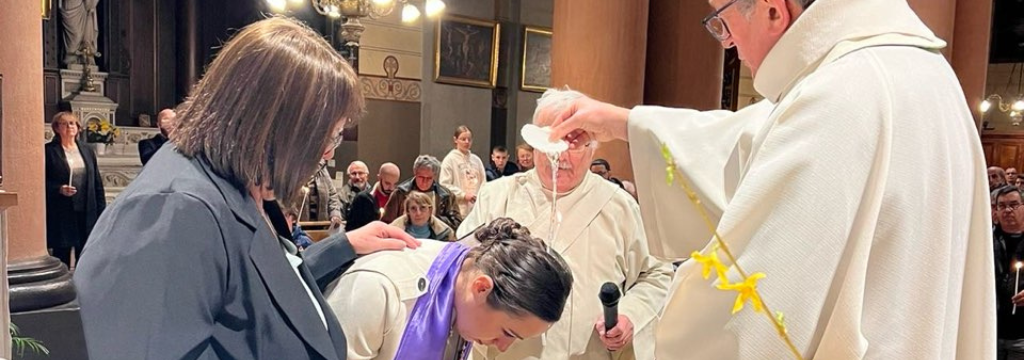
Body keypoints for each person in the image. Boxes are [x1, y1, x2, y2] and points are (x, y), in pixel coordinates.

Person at [546, 0, 994, 358]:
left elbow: (751, 313)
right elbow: (752, 140)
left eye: (722, 22)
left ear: (773, 10)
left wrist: (667, 328)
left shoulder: (841, 96)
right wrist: (624, 123)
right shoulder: (912, 70)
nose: (727, 44)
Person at [73, 17, 419, 360]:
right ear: (273, 123)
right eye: (327, 137)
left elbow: (254, 296)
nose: (329, 153)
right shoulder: (174, 210)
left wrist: (343, 246)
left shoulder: (241, 184)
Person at [461, 89, 673, 360]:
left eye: (573, 142)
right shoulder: (497, 196)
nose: (559, 156)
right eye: (550, 139)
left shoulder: (619, 206)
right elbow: (458, 269)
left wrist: (630, 314)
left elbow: (656, 275)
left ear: (593, 147)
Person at [324, 218, 574, 360]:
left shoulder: (464, 273)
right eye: (507, 332)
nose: (502, 345)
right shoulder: (380, 288)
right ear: (482, 288)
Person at [44, 111, 105, 267]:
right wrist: (59, 188)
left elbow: (96, 181)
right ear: (57, 128)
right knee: (62, 253)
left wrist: (101, 210)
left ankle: (82, 286)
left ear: (78, 127)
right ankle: (62, 287)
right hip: (62, 210)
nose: (69, 127)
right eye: (64, 124)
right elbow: (41, 181)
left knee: (85, 252)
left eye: (72, 123)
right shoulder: (49, 151)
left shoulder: (87, 150)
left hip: (86, 209)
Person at [383, 155, 463, 230]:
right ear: (415, 173)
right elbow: (387, 223)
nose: (425, 182)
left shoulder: (446, 196)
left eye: (429, 178)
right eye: (421, 177)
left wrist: (433, 219)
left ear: (434, 177)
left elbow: (457, 224)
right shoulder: (400, 193)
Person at [993, 185, 1024, 359]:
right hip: (992, 329)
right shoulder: (986, 241)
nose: (1008, 210)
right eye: (1002, 206)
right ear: (995, 212)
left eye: (1014, 204)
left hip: (1021, 333)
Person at [441, 125, 487, 217]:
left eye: (469, 139)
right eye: (463, 139)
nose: (467, 142)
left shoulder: (476, 160)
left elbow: (483, 182)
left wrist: (480, 197)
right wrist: (463, 195)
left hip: (475, 207)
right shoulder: (450, 159)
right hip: (458, 208)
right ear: (455, 140)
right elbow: (444, 185)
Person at [347, 162, 400, 231]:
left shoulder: (399, 198)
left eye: (395, 184)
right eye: (387, 183)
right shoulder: (362, 199)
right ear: (379, 178)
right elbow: (351, 228)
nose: (392, 188)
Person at [301, 148, 345, 230]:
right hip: (300, 226)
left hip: (321, 226)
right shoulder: (294, 170)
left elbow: (332, 195)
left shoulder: (322, 169)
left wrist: (335, 214)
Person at [390, 191, 456, 241]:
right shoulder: (392, 233)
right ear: (408, 211)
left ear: (430, 211)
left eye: (423, 208)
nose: (418, 213)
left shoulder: (445, 234)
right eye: (413, 208)